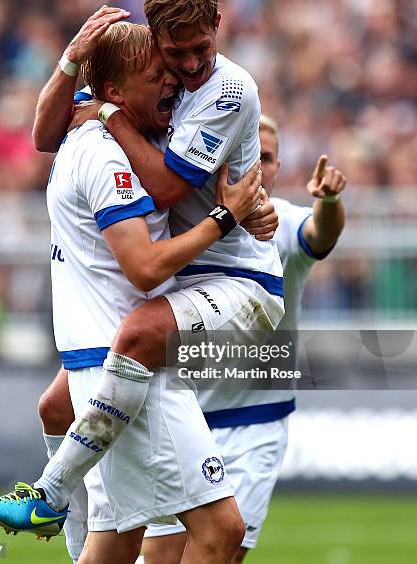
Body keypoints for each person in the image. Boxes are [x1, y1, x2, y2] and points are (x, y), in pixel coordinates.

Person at [0, 0, 284, 561]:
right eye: (173, 56)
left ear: (219, 26)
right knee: (61, 413)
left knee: (138, 338)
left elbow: (165, 187)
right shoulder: (134, 99)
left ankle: (50, 492)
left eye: (200, 49)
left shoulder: (226, 89)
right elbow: (44, 133)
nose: (185, 70)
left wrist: (111, 116)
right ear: (155, 41)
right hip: (178, 283)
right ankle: (61, 513)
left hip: (237, 281)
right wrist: (70, 64)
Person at [142, 114, 347, 564]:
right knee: (159, 555)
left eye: (268, 157)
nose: (257, 163)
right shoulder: (186, 225)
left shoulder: (286, 225)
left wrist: (329, 203)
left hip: (256, 420)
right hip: (183, 416)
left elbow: (320, 234)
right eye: (249, 151)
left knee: (226, 554)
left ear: (273, 167)